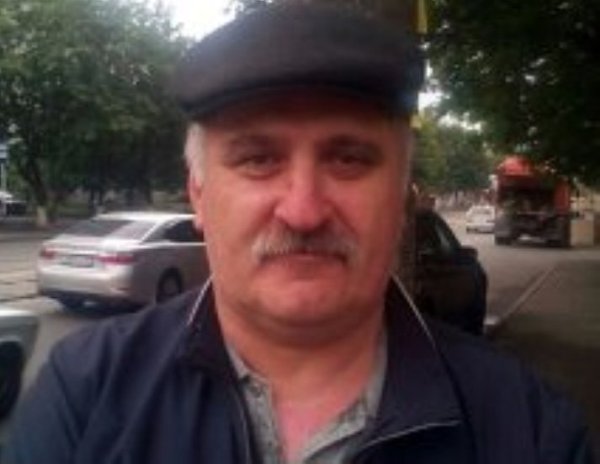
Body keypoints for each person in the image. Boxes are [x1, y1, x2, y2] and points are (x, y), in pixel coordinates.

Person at [5, 3, 594, 464]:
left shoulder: (532, 430)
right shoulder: (87, 389)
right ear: (200, 195)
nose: (304, 211)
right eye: (258, 159)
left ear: (402, 200)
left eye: (349, 159)